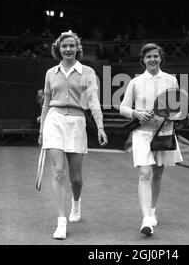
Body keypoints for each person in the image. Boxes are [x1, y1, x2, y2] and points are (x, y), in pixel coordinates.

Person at [38, 30, 108, 239]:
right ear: (58, 49)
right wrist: (42, 130)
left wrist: (101, 127)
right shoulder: (51, 72)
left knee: (75, 178)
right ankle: (61, 222)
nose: (68, 49)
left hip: (77, 123)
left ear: (78, 48)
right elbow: (47, 101)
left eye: (72, 45)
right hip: (54, 121)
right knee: (58, 172)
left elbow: (93, 101)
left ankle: (76, 203)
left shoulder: (87, 72)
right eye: (64, 46)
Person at [120, 43, 184, 236]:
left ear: (160, 58)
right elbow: (123, 108)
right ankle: (146, 218)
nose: (152, 60)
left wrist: (169, 116)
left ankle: (153, 210)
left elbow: (179, 110)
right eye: (148, 57)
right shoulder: (135, 82)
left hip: (163, 133)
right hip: (142, 134)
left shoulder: (171, 81)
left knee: (157, 174)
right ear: (143, 60)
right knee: (145, 173)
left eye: (155, 56)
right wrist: (137, 114)